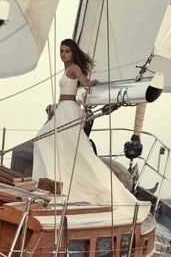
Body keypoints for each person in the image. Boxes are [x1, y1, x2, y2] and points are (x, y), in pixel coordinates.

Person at [32, 39, 150, 221]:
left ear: (73, 53)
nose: (63, 54)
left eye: (67, 51)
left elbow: (84, 81)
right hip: (64, 109)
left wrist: (90, 83)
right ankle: (53, 182)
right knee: (60, 146)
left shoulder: (74, 68)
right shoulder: (67, 69)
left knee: (44, 139)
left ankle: (57, 184)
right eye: (61, 51)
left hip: (68, 109)